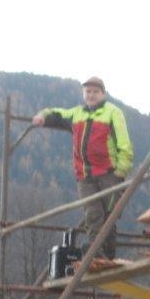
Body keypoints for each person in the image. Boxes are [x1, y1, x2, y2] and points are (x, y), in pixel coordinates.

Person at [33, 77, 133, 258]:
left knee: (109, 216)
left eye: (95, 92)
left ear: (103, 94)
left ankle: (108, 255)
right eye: (88, 91)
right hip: (85, 176)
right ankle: (96, 252)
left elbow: (124, 143)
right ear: (83, 94)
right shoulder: (77, 114)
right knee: (92, 214)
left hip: (109, 174)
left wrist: (121, 171)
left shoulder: (113, 113)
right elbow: (57, 114)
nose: (91, 95)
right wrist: (43, 116)